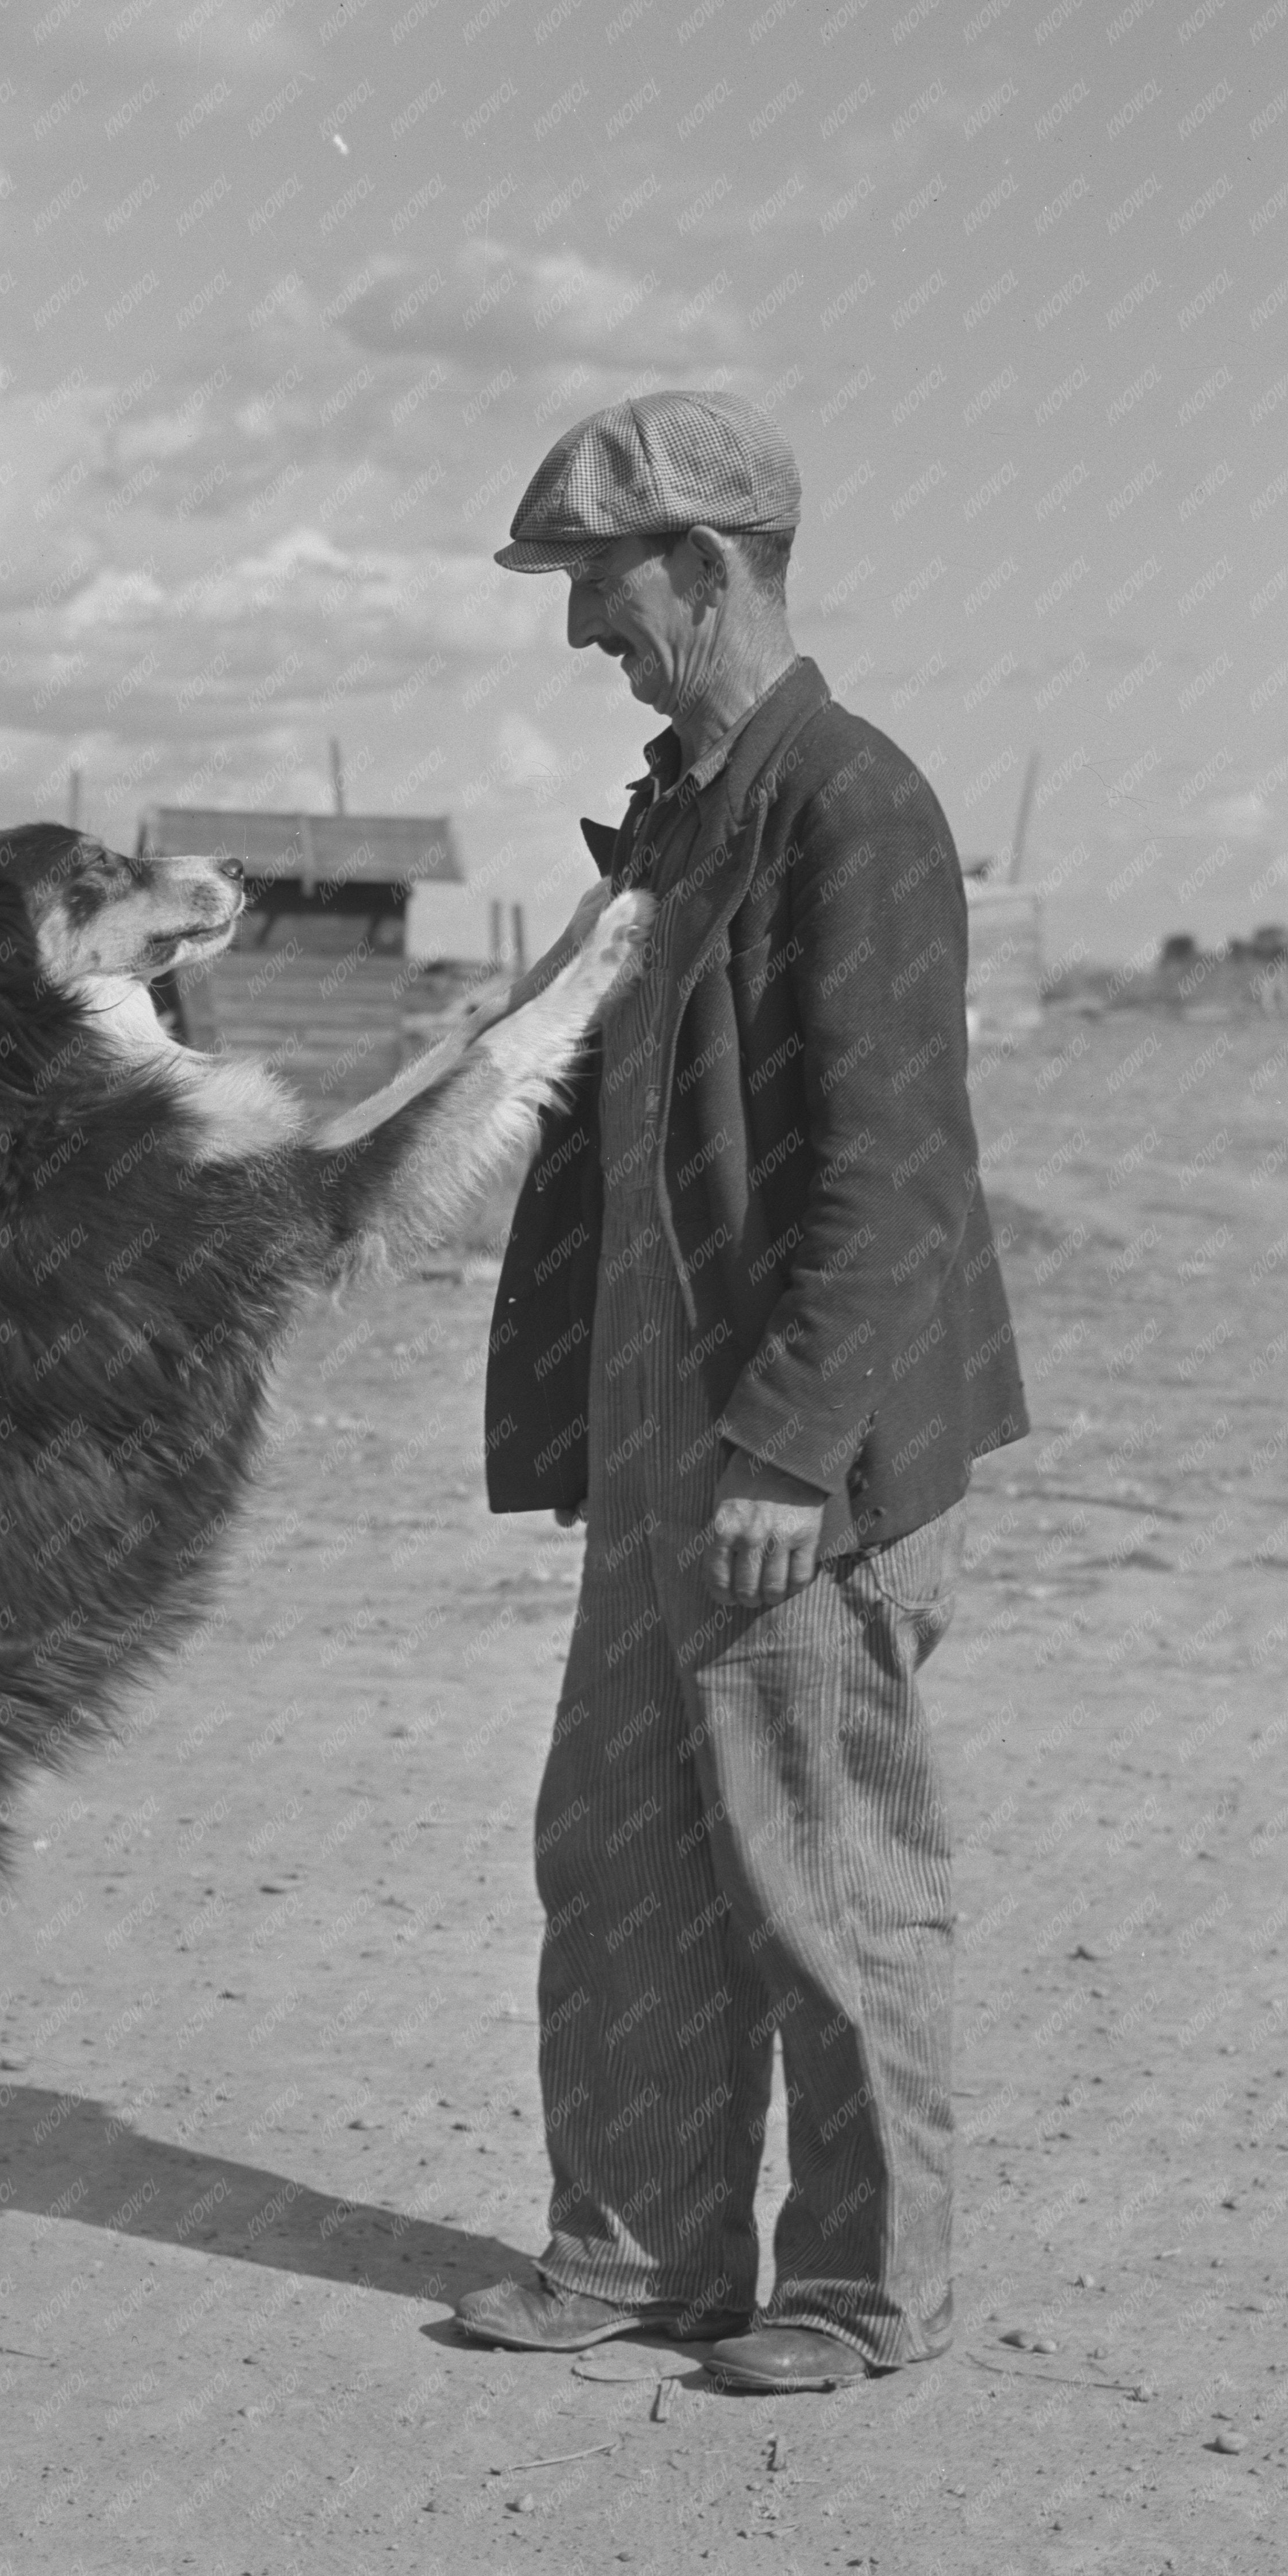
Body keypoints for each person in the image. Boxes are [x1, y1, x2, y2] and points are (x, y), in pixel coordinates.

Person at [451, 391, 1029, 2393]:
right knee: (618, 1858)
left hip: (794, 1457)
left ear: (703, 568)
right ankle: (640, 2254)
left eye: (598, 589)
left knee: (820, 1876)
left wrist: (789, 1442)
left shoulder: (850, 805)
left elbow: (890, 1173)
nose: (578, 634)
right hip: (649, 1447)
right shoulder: (688, 810)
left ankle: (865, 2292)